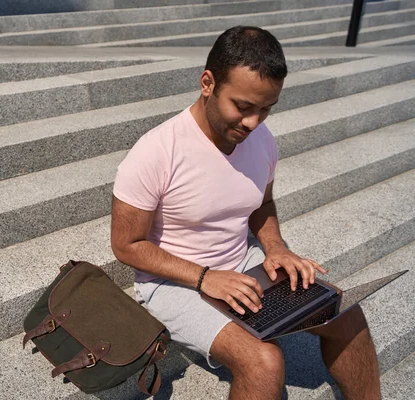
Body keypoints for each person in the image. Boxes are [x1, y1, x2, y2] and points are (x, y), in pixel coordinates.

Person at [110, 26, 380, 400]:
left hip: (243, 260)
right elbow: (126, 245)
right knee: (264, 361)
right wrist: (205, 277)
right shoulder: (155, 152)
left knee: (344, 313)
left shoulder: (261, 140)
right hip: (173, 281)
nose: (253, 122)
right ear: (208, 83)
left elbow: (263, 205)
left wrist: (276, 248)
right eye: (242, 106)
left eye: (265, 109)